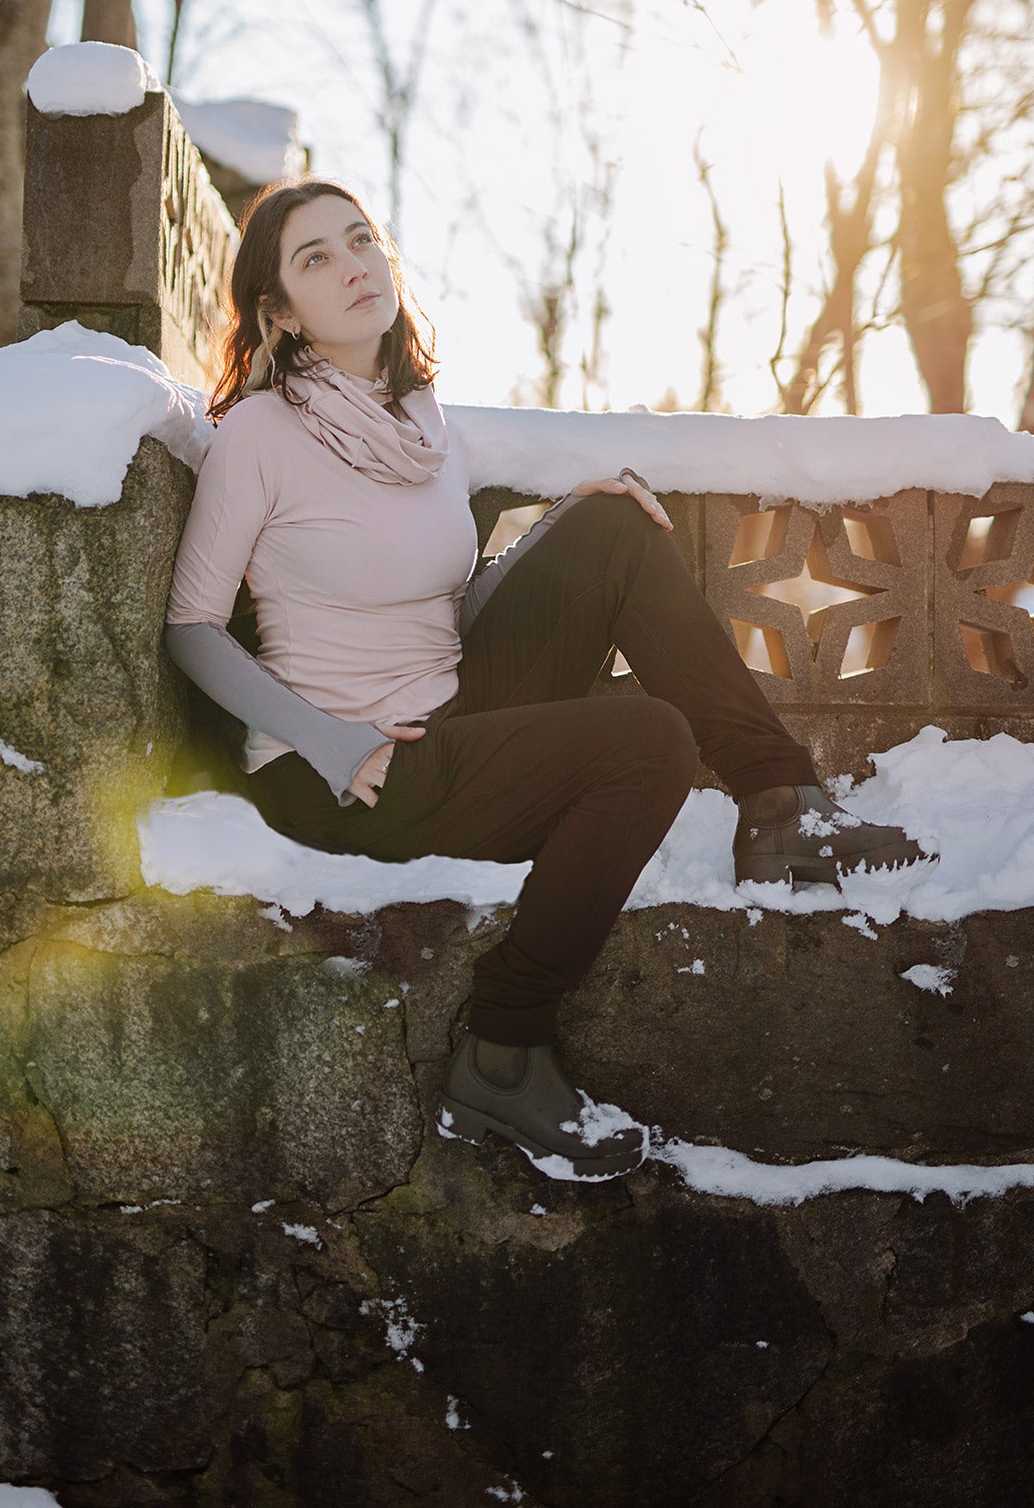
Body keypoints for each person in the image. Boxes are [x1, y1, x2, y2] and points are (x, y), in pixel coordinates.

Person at [164, 178, 932, 1182]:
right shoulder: (262, 433)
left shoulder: (424, 425)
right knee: (648, 740)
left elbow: (441, 609)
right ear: (279, 311)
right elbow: (191, 628)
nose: (354, 264)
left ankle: (780, 801)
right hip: (349, 770)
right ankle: (503, 1046)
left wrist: (569, 537)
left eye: (361, 239)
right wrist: (328, 739)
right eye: (315, 257)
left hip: (446, 715)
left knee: (615, 523)